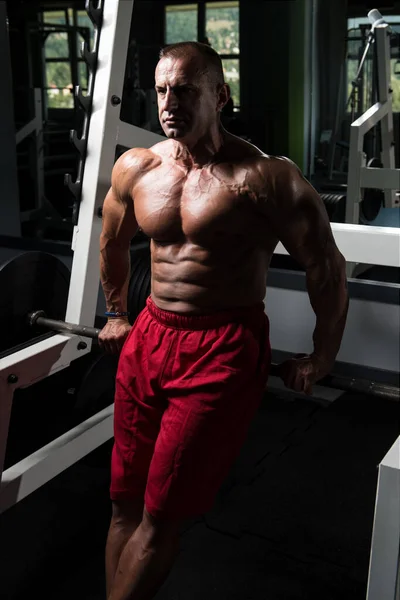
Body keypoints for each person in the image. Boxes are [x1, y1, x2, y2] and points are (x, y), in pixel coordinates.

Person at [98, 41, 348, 600]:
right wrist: (117, 312)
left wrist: (321, 355)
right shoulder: (137, 167)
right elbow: (111, 241)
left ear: (220, 95)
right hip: (149, 336)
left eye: (185, 90)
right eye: (162, 90)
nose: (169, 103)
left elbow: (326, 269)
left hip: (221, 347)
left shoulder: (268, 178)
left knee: (161, 515)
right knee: (123, 502)